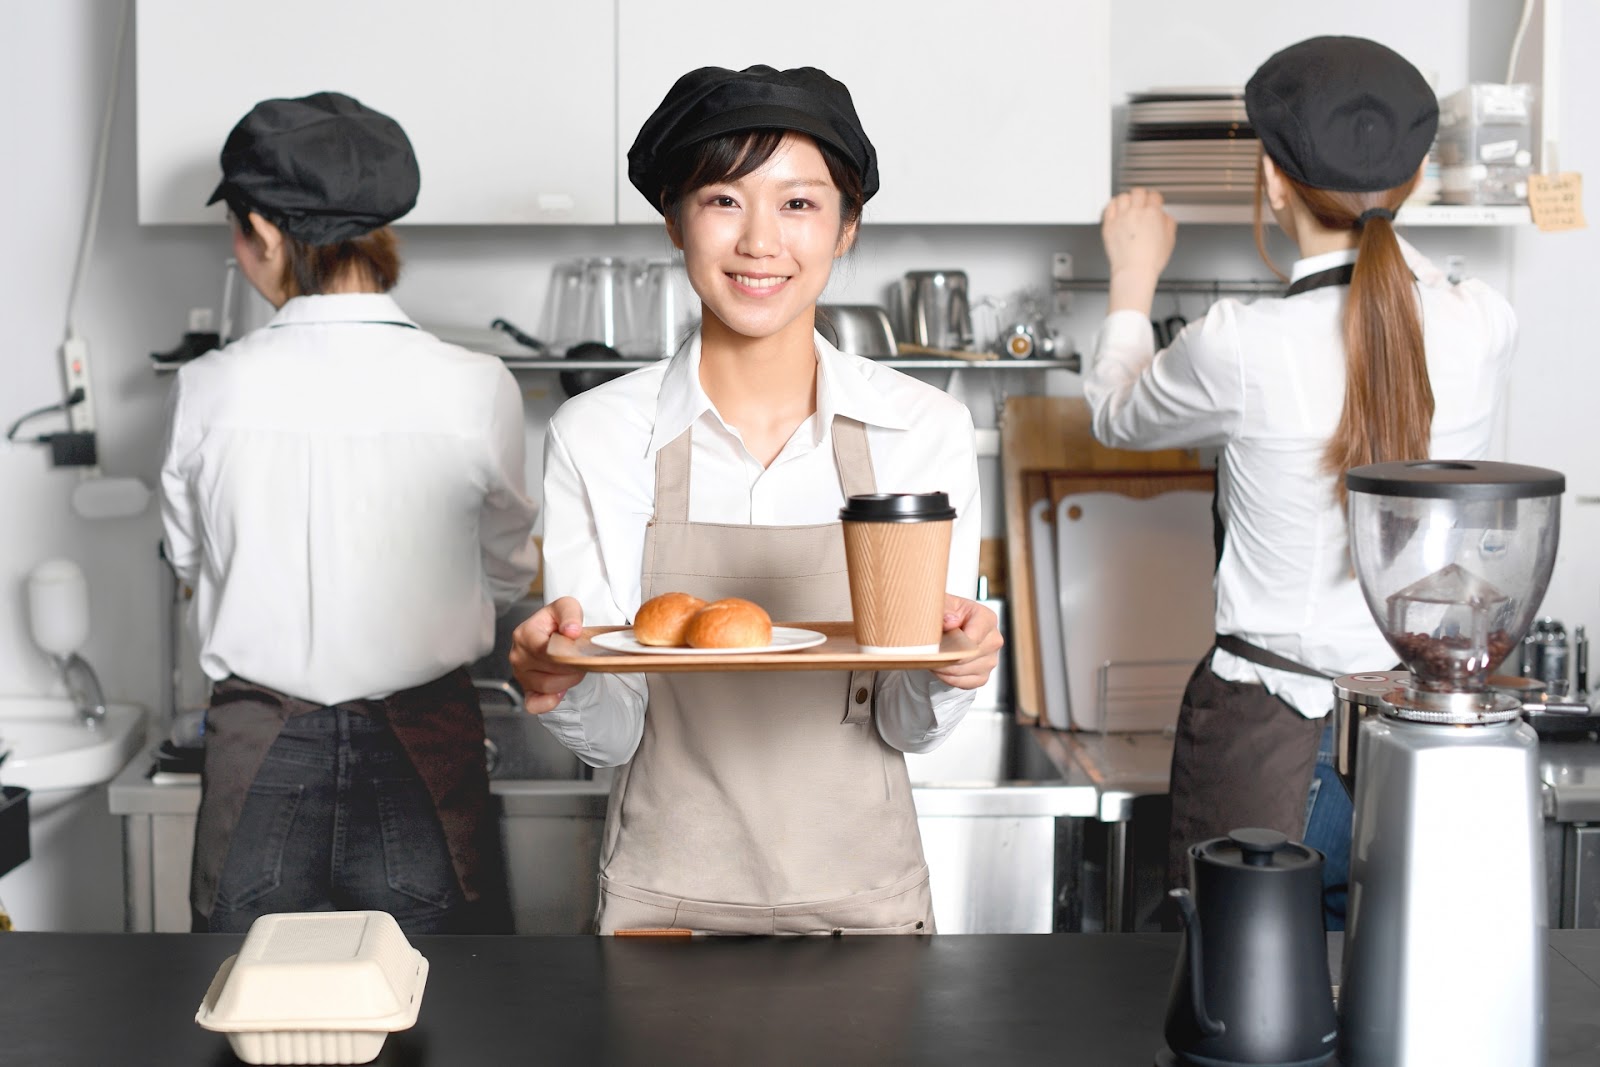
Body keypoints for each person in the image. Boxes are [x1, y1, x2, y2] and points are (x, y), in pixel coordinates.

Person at [508, 64, 1002, 935]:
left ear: (847, 227)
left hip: (866, 906)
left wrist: (950, 671)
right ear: (675, 219)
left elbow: (905, 720)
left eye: (801, 205)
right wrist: (564, 684)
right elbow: (619, 730)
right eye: (724, 200)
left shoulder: (922, 432)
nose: (760, 242)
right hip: (663, 906)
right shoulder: (597, 435)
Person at [1082, 37, 1515, 918]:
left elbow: (1114, 414)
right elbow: (1400, 276)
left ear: (1274, 181)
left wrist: (1132, 278)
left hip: (1262, 742)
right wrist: (1393, 200)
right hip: (1421, 738)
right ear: (1416, 179)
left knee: (1239, 1020)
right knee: (1408, 1015)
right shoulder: (1482, 323)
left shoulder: (1239, 342)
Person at [159, 91, 539, 934]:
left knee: (248, 1024)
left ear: (259, 231)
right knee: (449, 1019)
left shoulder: (206, 388)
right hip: (426, 749)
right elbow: (512, 567)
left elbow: (189, 563)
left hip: (257, 755)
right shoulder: (477, 385)